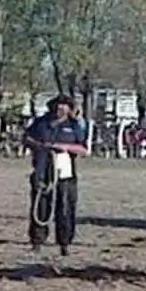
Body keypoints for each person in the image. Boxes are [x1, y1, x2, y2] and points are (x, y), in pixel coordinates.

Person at [22, 94, 88, 256]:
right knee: (40, 206)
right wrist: (39, 146)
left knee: (65, 207)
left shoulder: (74, 126)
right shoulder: (40, 123)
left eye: (65, 105)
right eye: (58, 105)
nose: (61, 108)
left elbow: (83, 149)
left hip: (65, 173)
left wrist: (63, 147)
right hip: (43, 170)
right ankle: (37, 241)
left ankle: (64, 242)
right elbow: (26, 138)